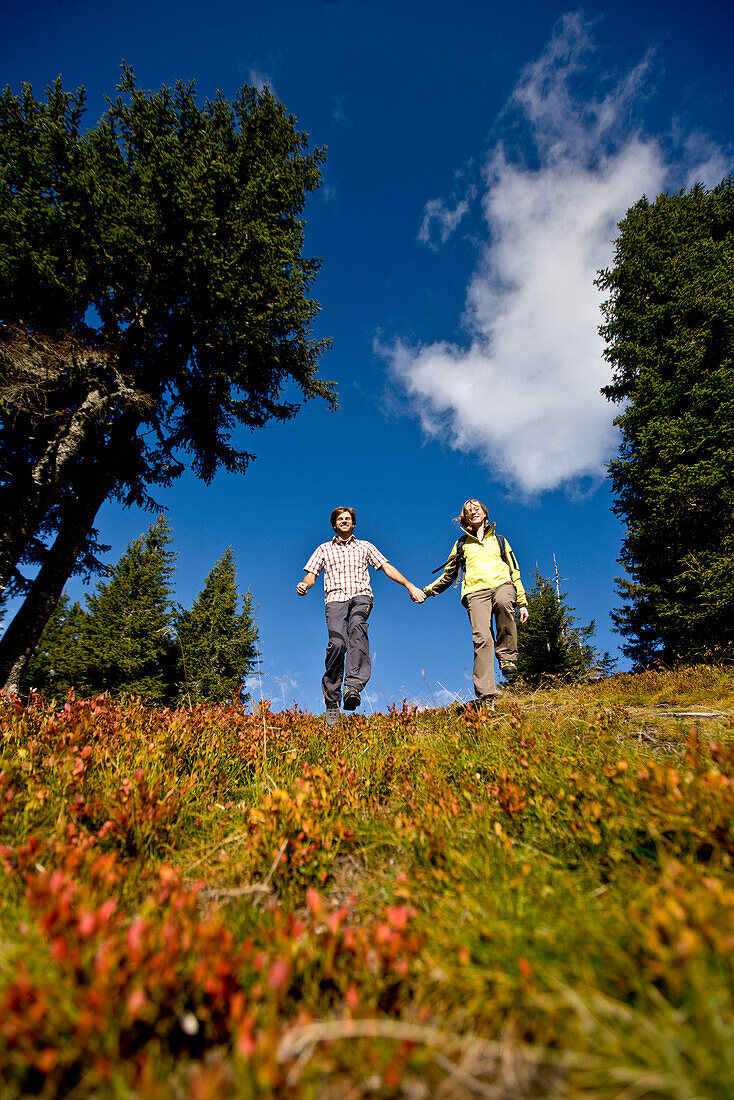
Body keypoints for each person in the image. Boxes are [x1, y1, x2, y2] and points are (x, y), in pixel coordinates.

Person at [297, 507, 425, 727]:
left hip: (361, 597)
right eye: (340, 519)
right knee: (337, 644)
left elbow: (386, 567)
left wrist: (409, 586)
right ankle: (332, 701)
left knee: (357, 628)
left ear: (353, 524)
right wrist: (304, 585)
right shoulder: (324, 549)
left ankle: (352, 686)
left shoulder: (365, 546)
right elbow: (311, 575)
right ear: (334, 525)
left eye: (348, 519)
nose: (344, 521)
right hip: (335, 599)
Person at [422, 499, 529, 711]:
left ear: (485, 514)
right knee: (482, 638)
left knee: (505, 602)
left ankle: (507, 657)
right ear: (466, 518)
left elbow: (514, 570)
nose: (473, 512)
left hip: (502, 584)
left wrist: (523, 602)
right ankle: (487, 696)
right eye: (469, 511)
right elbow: (448, 575)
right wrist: (427, 591)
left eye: (476, 508)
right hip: (475, 593)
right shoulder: (461, 544)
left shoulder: (500, 540)